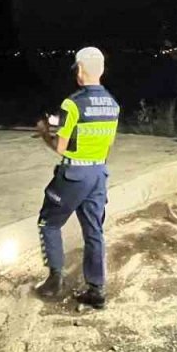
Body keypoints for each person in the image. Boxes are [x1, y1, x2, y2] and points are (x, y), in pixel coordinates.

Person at [34, 47, 120, 309]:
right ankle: (96, 289)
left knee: (48, 223)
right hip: (98, 175)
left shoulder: (72, 104)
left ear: (80, 71)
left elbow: (61, 148)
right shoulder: (113, 105)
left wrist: (44, 133)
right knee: (94, 231)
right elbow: (106, 148)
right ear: (102, 70)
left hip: (73, 175)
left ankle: (54, 281)